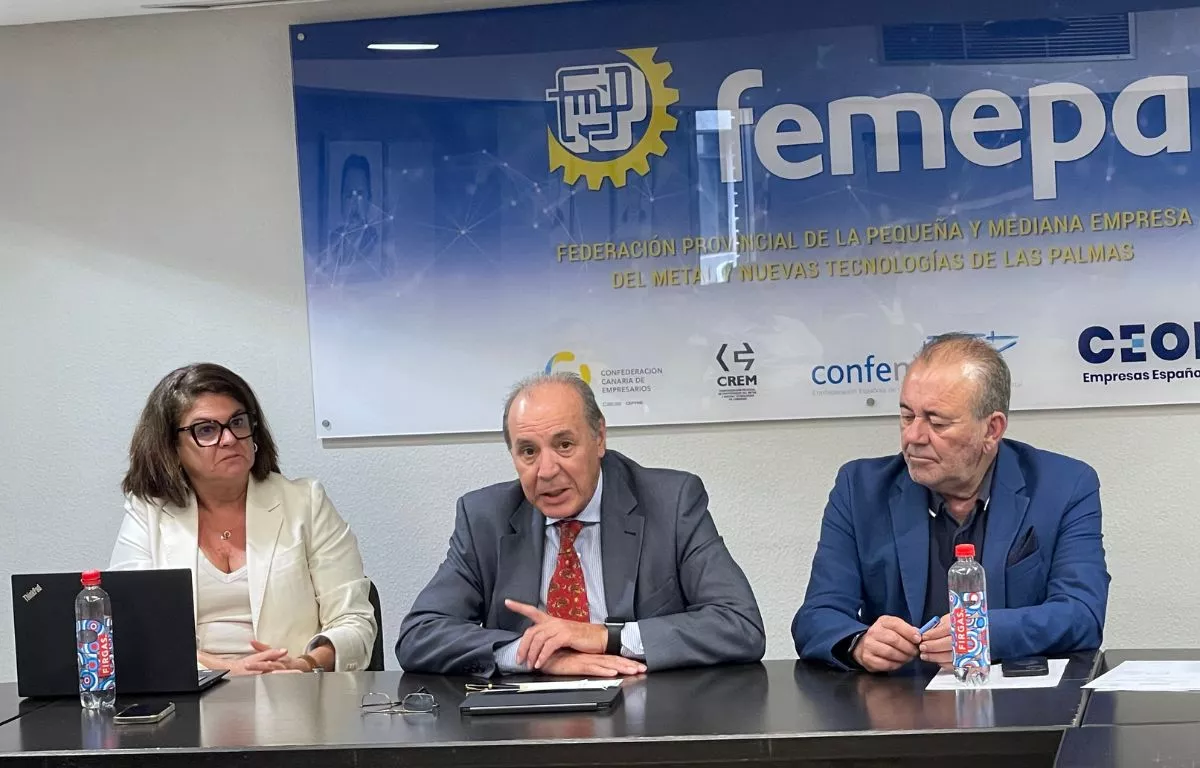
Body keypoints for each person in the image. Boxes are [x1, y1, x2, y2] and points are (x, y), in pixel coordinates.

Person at [396, 372, 765, 677]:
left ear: (599, 438)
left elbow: (739, 625)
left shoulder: (671, 502)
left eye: (564, 445)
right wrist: (530, 653)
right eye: (528, 451)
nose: (546, 470)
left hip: (645, 713)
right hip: (525, 721)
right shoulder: (484, 518)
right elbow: (419, 634)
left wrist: (608, 637)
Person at [793, 333, 1109, 672]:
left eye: (937, 422)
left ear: (992, 430)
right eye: (907, 416)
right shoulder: (860, 490)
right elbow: (817, 616)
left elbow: (1082, 614)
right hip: (899, 698)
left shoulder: (1064, 486)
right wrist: (858, 642)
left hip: (1014, 696)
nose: (913, 436)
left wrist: (982, 633)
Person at [110, 363, 376, 675]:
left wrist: (305, 664)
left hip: (291, 688)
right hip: (189, 692)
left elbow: (355, 621)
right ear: (171, 448)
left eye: (237, 422)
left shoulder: (306, 502)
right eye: (205, 430)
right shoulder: (148, 513)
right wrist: (227, 670)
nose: (229, 439)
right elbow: (132, 631)